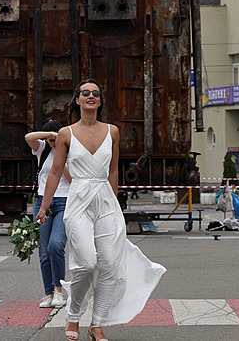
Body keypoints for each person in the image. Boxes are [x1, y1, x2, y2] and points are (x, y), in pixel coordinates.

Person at [36, 79, 166, 341]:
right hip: (79, 200)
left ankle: (97, 324)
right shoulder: (66, 134)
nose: (91, 96)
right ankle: (72, 316)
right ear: (78, 100)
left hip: (106, 201)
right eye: (86, 93)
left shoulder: (113, 131)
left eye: (95, 93)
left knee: (108, 265)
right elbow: (56, 172)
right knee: (86, 262)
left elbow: (114, 170)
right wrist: (44, 207)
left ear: (100, 100)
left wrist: (114, 201)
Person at [25, 120, 71, 308]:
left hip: (65, 201)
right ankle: (48, 293)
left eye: (56, 139)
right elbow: (28, 137)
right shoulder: (42, 149)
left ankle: (59, 290)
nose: (53, 143)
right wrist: (49, 135)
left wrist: (62, 157)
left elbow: (72, 179)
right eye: (51, 140)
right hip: (43, 202)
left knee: (55, 245)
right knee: (43, 251)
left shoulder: (70, 152)